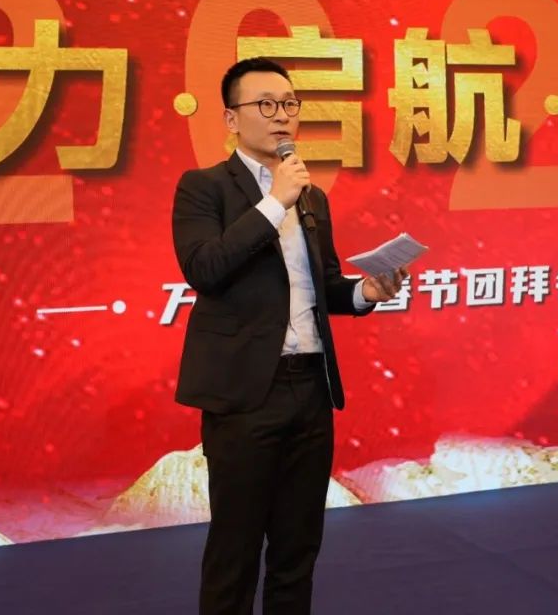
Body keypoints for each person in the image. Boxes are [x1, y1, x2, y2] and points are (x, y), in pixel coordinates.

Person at [171, 57, 408, 614]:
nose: (282, 116)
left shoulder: (312, 197)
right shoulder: (204, 187)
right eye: (266, 105)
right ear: (232, 119)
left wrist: (365, 292)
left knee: (298, 548)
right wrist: (274, 200)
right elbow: (205, 268)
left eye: (289, 104)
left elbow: (323, 285)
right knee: (235, 549)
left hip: (311, 388)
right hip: (246, 396)